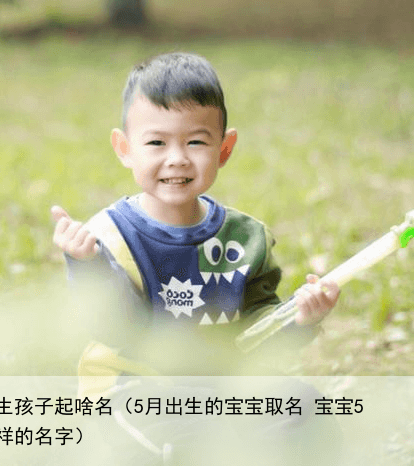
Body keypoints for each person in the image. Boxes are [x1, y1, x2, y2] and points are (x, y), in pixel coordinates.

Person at [51, 52, 340, 379]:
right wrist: (89, 264)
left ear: (224, 149)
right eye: (157, 142)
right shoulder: (106, 237)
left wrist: (299, 319)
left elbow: (257, 334)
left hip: (218, 391)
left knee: (303, 410)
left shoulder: (246, 238)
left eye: (196, 142)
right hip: (133, 392)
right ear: (124, 149)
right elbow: (117, 330)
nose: (177, 159)